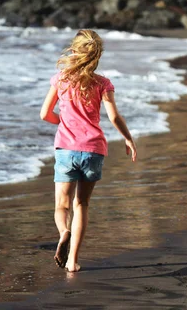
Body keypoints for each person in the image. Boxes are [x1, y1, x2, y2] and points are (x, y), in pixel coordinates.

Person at [40, 29, 137, 273]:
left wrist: (62, 122)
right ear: (96, 56)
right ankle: (72, 261)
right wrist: (128, 139)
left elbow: (44, 114)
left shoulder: (61, 79)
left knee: (61, 205)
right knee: (81, 204)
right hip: (93, 149)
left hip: (66, 148)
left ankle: (64, 232)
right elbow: (114, 116)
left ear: (74, 50)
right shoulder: (103, 83)